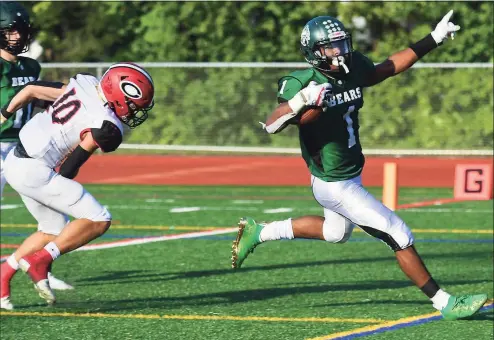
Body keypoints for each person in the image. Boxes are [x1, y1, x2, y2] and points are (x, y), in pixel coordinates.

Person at [231, 10, 487, 321]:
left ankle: (259, 233)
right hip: (333, 183)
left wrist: (433, 39)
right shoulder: (302, 81)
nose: (339, 52)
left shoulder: (351, 68)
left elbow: (387, 68)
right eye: (331, 47)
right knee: (398, 233)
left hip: (351, 173)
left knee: (336, 232)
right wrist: (301, 102)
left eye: (341, 44)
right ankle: (444, 302)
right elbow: (273, 123)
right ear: (314, 51)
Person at [0, 62, 155, 309]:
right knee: (99, 218)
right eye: (134, 105)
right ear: (119, 94)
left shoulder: (85, 85)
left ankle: (3, 274)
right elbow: (70, 167)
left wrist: (4, 115)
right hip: (34, 170)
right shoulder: (107, 125)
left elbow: (32, 90)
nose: (134, 111)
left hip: (16, 159)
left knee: (53, 229)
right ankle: (40, 261)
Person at [0, 1, 73, 310]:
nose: (17, 35)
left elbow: (41, 102)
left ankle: (40, 268)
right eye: (11, 30)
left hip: (23, 150)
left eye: (21, 30)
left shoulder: (30, 67)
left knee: (55, 218)